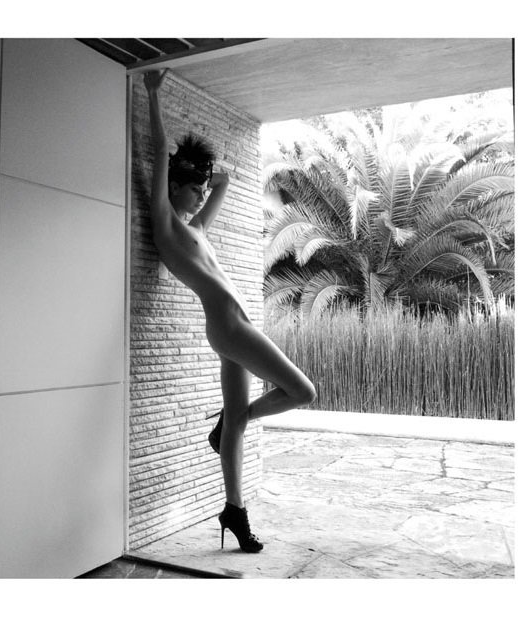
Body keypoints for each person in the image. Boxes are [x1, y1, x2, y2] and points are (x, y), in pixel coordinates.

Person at [143, 69, 317, 553]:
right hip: (228, 326)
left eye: (200, 190)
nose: (202, 194)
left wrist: (202, 169)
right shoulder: (166, 225)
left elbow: (223, 181)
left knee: (240, 418)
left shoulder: (196, 227)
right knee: (302, 391)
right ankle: (225, 424)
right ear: (172, 185)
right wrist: (153, 94)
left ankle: (234, 510)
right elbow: (161, 150)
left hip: (232, 328)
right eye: (192, 188)